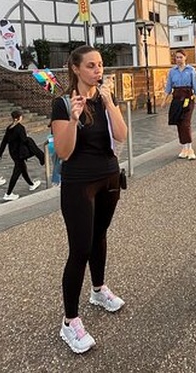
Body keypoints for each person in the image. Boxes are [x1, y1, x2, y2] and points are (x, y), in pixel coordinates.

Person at [51, 45, 128, 354]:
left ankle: (98, 290)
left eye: (100, 65)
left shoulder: (105, 97)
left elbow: (121, 136)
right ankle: (70, 322)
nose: (98, 70)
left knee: (99, 238)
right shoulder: (62, 104)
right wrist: (72, 118)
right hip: (79, 183)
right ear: (76, 69)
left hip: (109, 176)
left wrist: (110, 104)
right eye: (91, 66)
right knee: (80, 248)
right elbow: (64, 152)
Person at [0, 110, 44, 201]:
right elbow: (24, 140)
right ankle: (8, 193)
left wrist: (0, 152)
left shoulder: (9, 128)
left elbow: (4, 141)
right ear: (19, 117)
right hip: (20, 153)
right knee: (17, 172)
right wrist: (27, 137)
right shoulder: (20, 128)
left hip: (13, 153)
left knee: (22, 169)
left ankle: (31, 185)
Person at [164, 49, 196, 160]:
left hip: (188, 99)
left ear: (185, 58)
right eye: (177, 57)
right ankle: (184, 147)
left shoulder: (191, 70)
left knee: (186, 122)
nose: (178, 59)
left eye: (181, 57)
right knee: (179, 122)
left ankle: (190, 147)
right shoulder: (172, 71)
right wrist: (164, 100)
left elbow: (195, 87)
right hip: (177, 99)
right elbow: (168, 87)